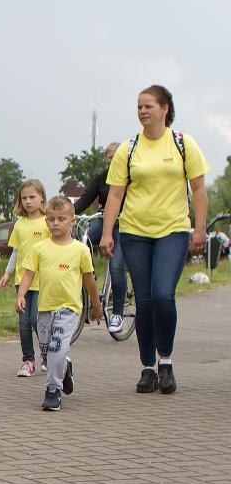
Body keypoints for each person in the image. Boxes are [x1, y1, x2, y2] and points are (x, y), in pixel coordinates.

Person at [99, 85, 211, 394]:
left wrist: (200, 228)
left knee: (163, 295)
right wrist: (107, 232)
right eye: (139, 106)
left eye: (148, 105)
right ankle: (148, 367)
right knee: (145, 301)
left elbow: (199, 189)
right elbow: (115, 195)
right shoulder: (129, 148)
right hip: (134, 232)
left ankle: (166, 362)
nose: (142, 111)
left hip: (172, 230)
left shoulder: (183, 144)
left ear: (164, 109)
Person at [17, 196, 103, 411]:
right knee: (47, 351)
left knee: (58, 346)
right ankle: (65, 367)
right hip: (45, 307)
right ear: (46, 220)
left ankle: (53, 390)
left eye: (61, 219)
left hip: (69, 308)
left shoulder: (80, 250)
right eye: (51, 219)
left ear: (72, 221)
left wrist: (96, 305)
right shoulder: (39, 248)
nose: (56, 223)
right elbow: (28, 274)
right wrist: (21, 295)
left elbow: (89, 280)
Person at [74, 142, 128, 333]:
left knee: (116, 267)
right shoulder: (101, 178)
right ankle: (89, 273)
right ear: (106, 159)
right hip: (104, 221)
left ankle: (118, 313)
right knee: (84, 238)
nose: (114, 160)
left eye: (117, 156)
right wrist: (65, 213)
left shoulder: (131, 176)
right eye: (110, 157)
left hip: (125, 224)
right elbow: (84, 200)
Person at [0, 179, 49, 377]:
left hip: (42, 280)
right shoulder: (19, 225)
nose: (28, 201)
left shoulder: (48, 222)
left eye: (32, 197)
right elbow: (16, 252)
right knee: (24, 322)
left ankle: (47, 355)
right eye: (24, 198)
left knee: (37, 319)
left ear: (41, 198)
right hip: (22, 282)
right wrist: (7, 273)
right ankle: (28, 361)